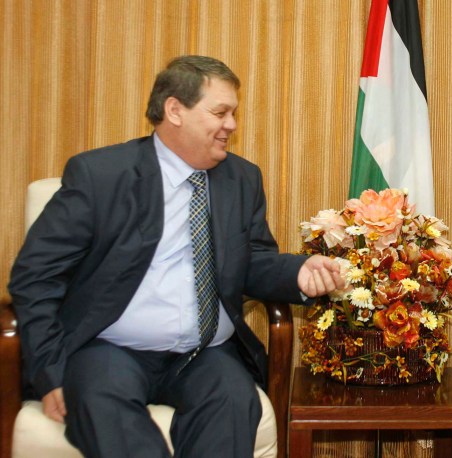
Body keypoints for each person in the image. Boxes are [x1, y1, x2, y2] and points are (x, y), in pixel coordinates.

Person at [8, 55, 345, 458]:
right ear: (175, 111)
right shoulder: (100, 176)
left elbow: (251, 260)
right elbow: (35, 276)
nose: (232, 125)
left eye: (234, 113)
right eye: (220, 112)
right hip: (109, 348)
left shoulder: (241, 178)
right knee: (102, 402)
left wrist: (299, 272)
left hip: (205, 355)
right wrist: (50, 373)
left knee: (236, 399)